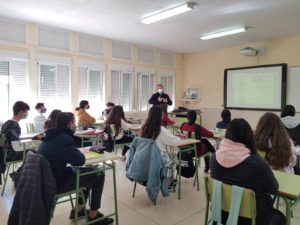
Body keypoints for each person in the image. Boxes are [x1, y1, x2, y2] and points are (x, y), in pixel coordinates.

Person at [38, 112, 113, 225]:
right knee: (98, 174)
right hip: (57, 183)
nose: (75, 125)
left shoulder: (49, 136)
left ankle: (78, 210)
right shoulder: (64, 139)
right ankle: (94, 216)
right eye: (74, 123)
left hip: (47, 180)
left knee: (87, 173)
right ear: (69, 124)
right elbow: (80, 160)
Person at [210, 118, 286, 225]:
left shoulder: (213, 158)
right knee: (281, 218)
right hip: (253, 219)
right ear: (249, 137)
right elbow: (273, 188)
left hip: (222, 216)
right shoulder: (257, 163)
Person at [148, 106, 181, 186]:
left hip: (148, 156)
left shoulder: (145, 128)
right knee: (173, 155)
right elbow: (177, 142)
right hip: (160, 157)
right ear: (160, 117)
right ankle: (169, 181)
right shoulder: (161, 130)